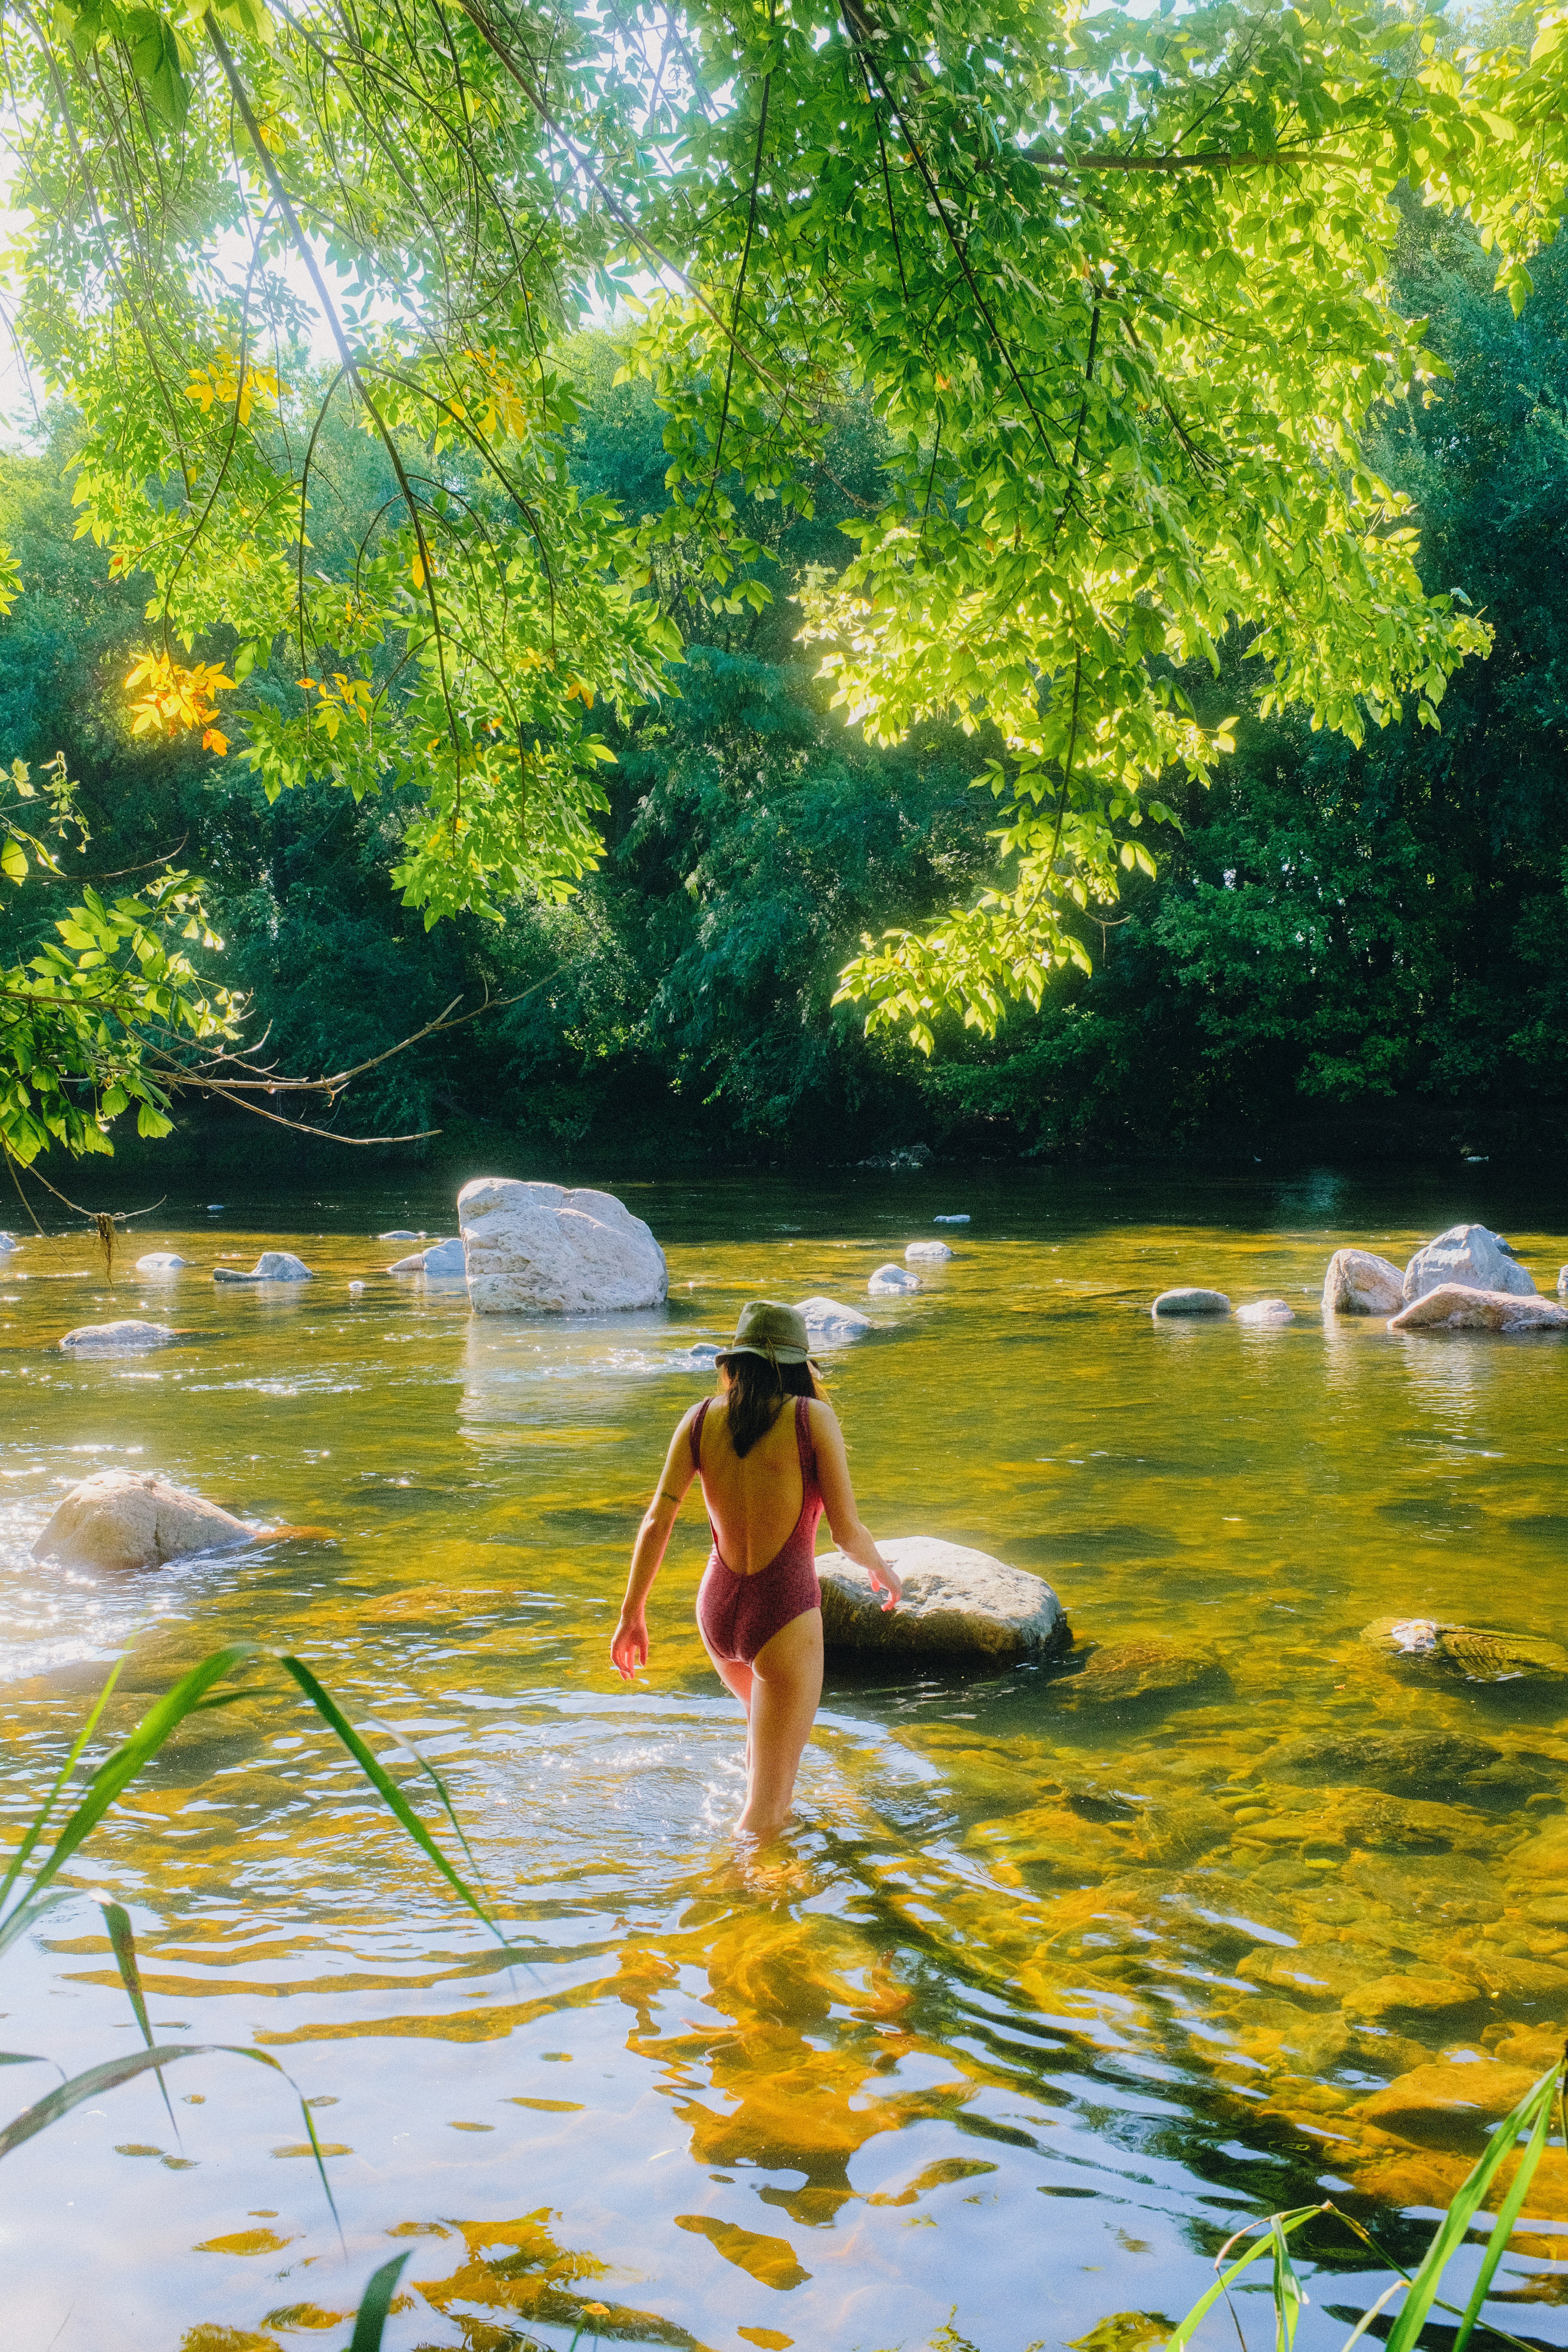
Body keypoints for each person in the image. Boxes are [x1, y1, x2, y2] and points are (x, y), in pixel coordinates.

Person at [611, 1299, 901, 1838]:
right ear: (798, 1365)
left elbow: (657, 1520)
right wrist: (882, 1568)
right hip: (782, 1610)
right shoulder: (811, 1418)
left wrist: (632, 1615)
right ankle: (739, 1882)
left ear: (735, 1363)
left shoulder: (698, 1419)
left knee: (761, 1744)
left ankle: (762, 1852)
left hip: (717, 1610)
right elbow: (845, 1533)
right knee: (766, 1816)